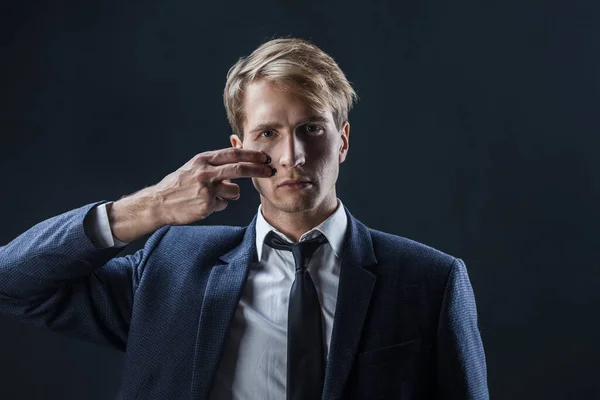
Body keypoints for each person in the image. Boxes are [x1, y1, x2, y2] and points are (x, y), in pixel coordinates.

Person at [0, 38, 488, 399]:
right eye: (268, 133)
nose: (292, 155)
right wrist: (148, 208)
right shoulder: (170, 268)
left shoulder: (430, 281)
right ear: (240, 149)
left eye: (311, 129)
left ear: (342, 140)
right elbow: (13, 281)